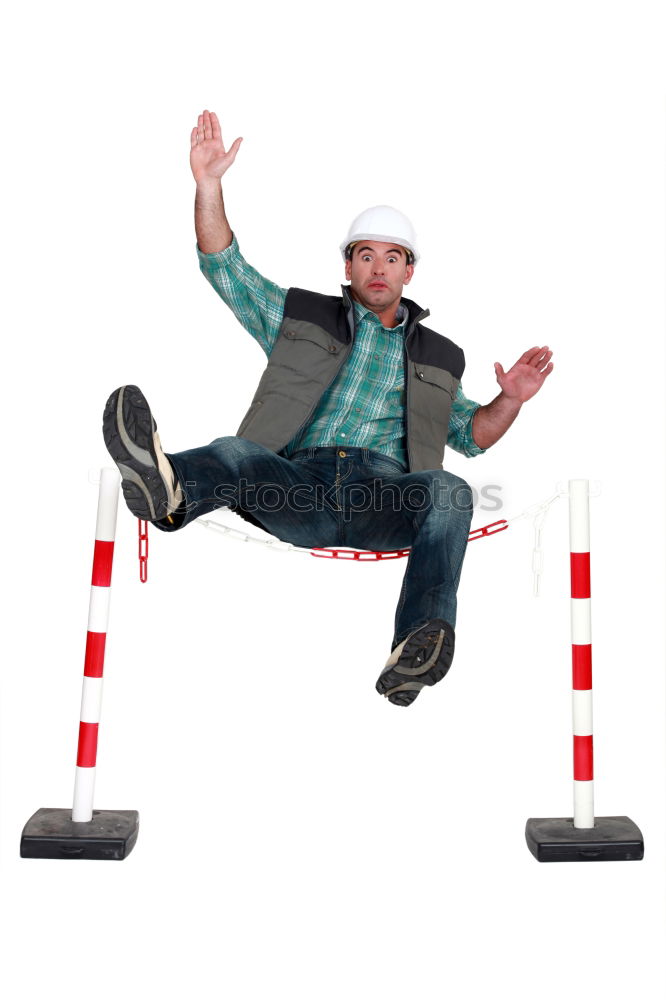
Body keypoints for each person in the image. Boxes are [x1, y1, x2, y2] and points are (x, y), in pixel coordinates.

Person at [103, 109, 553, 708]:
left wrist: (512, 400)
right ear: (348, 265)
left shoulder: (439, 357)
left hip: (383, 500)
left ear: (409, 271)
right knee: (236, 452)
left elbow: (474, 434)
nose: (378, 268)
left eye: (392, 258)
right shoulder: (303, 318)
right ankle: (170, 488)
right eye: (365, 256)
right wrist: (208, 186)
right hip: (300, 490)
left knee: (451, 490)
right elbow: (226, 271)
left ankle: (415, 646)